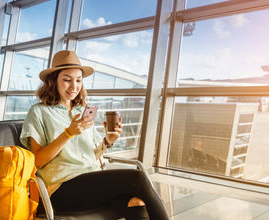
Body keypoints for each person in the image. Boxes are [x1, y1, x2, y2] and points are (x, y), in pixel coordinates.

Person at [20, 50, 168, 220]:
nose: (74, 86)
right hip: (61, 188)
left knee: (136, 203)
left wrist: (107, 142)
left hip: (90, 182)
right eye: (67, 80)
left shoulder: (82, 111)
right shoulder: (39, 112)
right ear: (53, 81)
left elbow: (92, 154)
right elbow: (38, 160)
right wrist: (68, 134)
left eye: (78, 80)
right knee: (137, 178)